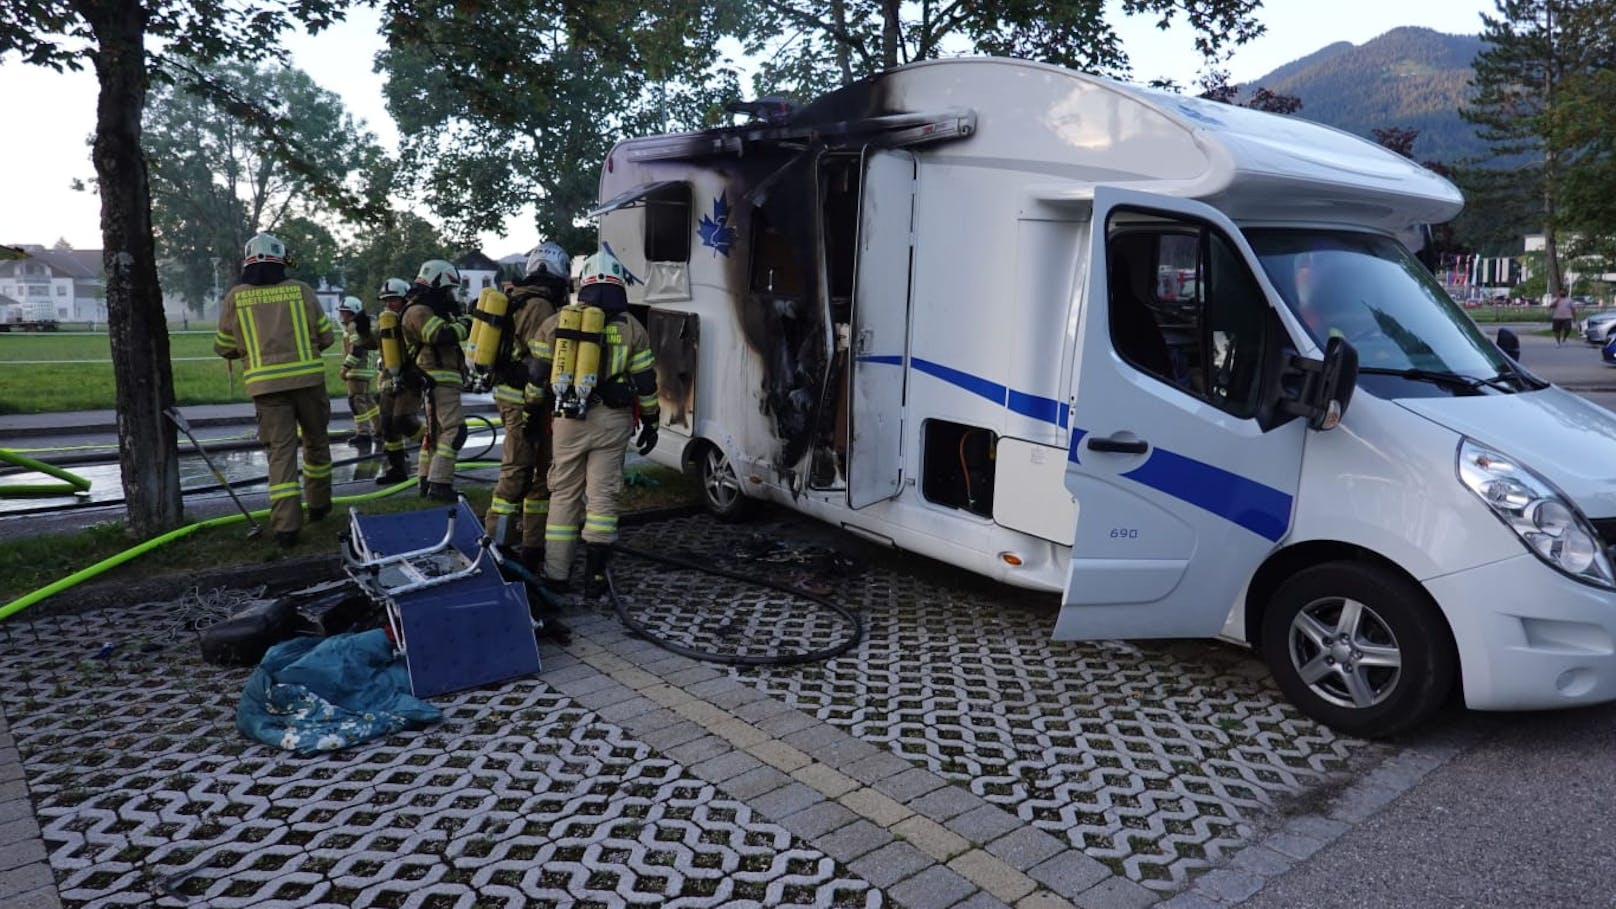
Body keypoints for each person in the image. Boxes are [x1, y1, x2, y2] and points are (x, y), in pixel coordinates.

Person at [526, 247, 660, 597]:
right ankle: (596, 578)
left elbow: (538, 374)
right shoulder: (632, 327)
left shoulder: (557, 321)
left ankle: (556, 576)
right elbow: (646, 383)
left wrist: (529, 412)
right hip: (612, 422)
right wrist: (652, 420)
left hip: (568, 419)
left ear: (581, 282)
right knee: (602, 496)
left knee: (564, 494)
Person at [213, 233, 335, 548]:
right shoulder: (302, 291)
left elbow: (224, 346)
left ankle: (286, 529)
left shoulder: (235, 297)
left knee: (280, 454)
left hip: (266, 390)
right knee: (317, 444)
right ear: (281, 261)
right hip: (309, 383)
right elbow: (327, 338)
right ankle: (319, 507)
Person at [482, 241, 570, 565]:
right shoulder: (540, 307)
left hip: (515, 396)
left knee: (538, 474)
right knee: (519, 471)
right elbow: (540, 362)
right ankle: (497, 546)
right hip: (526, 400)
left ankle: (532, 546)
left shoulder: (519, 297)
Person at [402, 259, 470, 502]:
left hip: (437, 379)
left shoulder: (424, 308)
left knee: (435, 433)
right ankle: (440, 484)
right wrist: (466, 324)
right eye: (448, 290)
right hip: (437, 378)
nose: (449, 295)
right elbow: (439, 335)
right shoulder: (418, 311)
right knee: (455, 431)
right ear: (438, 283)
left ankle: (426, 481)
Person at [370, 278, 424, 485]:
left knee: (403, 421)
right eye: (386, 301)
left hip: (410, 378)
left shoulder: (412, 317)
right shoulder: (386, 321)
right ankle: (397, 469)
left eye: (393, 299)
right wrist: (365, 330)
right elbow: (371, 342)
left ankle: (433, 445)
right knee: (387, 425)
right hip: (389, 379)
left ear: (405, 298)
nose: (389, 304)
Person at [336, 296, 379, 450]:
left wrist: (345, 367)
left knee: (356, 402)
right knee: (368, 401)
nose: (341, 315)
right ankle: (379, 430)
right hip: (366, 370)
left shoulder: (353, 326)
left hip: (357, 371)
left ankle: (363, 433)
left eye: (344, 312)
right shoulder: (360, 325)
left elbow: (357, 349)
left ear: (351, 312)